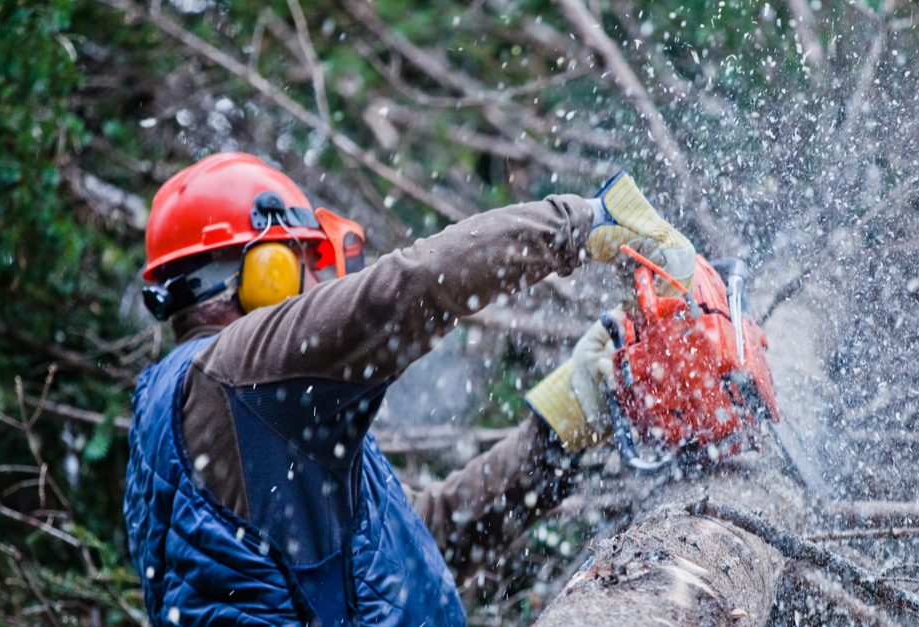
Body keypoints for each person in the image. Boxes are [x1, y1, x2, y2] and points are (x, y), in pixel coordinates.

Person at [125, 152, 694, 627]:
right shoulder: (236, 373)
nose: (318, 284)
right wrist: (581, 223)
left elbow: (416, 545)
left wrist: (561, 427)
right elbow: (404, 290)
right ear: (264, 270)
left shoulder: (243, 414)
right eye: (304, 262)